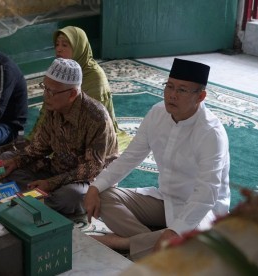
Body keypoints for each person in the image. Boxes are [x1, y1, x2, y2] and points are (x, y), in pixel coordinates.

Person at [84, 58, 230, 260]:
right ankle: (156, 246)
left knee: (200, 242)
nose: (172, 95)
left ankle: (123, 243)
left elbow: (207, 194)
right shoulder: (157, 113)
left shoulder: (211, 133)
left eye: (182, 90)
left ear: (201, 96)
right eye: (169, 86)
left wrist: (175, 230)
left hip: (203, 211)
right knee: (105, 196)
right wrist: (95, 187)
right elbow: (130, 157)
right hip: (166, 199)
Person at [0, 58, 118, 215]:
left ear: (72, 94)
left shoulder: (96, 117)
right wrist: (17, 161)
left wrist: (51, 183)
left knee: (70, 197)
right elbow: (40, 146)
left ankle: (39, 199)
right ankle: (41, 199)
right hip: (57, 170)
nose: (45, 96)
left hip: (90, 179)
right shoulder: (54, 106)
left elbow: (92, 168)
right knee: (8, 158)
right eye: (44, 88)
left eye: (51, 91)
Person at [54, 26, 118, 132]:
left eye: (64, 45)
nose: (58, 49)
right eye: (57, 44)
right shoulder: (59, 70)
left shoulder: (95, 77)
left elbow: (96, 121)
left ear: (79, 48)